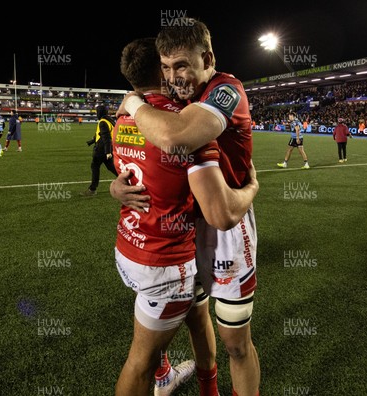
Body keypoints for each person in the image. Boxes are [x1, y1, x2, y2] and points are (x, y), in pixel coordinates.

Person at [116, 18, 261, 396]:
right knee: (198, 320)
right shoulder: (176, 99)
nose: (173, 77)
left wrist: (132, 102)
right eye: (165, 67)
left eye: (181, 65)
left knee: (235, 342)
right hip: (186, 229)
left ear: (207, 57)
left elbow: (176, 136)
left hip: (227, 227)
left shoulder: (225, 89)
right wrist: (120, 187)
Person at [81, 105, 118, 196]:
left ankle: (92, 189)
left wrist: (107, 152)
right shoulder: (109, 120)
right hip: (107, 149)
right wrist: (92, 141)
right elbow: (101, 134)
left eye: (97, 112)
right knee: (111, 167)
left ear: (100, 112)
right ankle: (129, 181)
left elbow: (106, 138)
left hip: (101, 150)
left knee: (95, 167)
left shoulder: (102, 122)